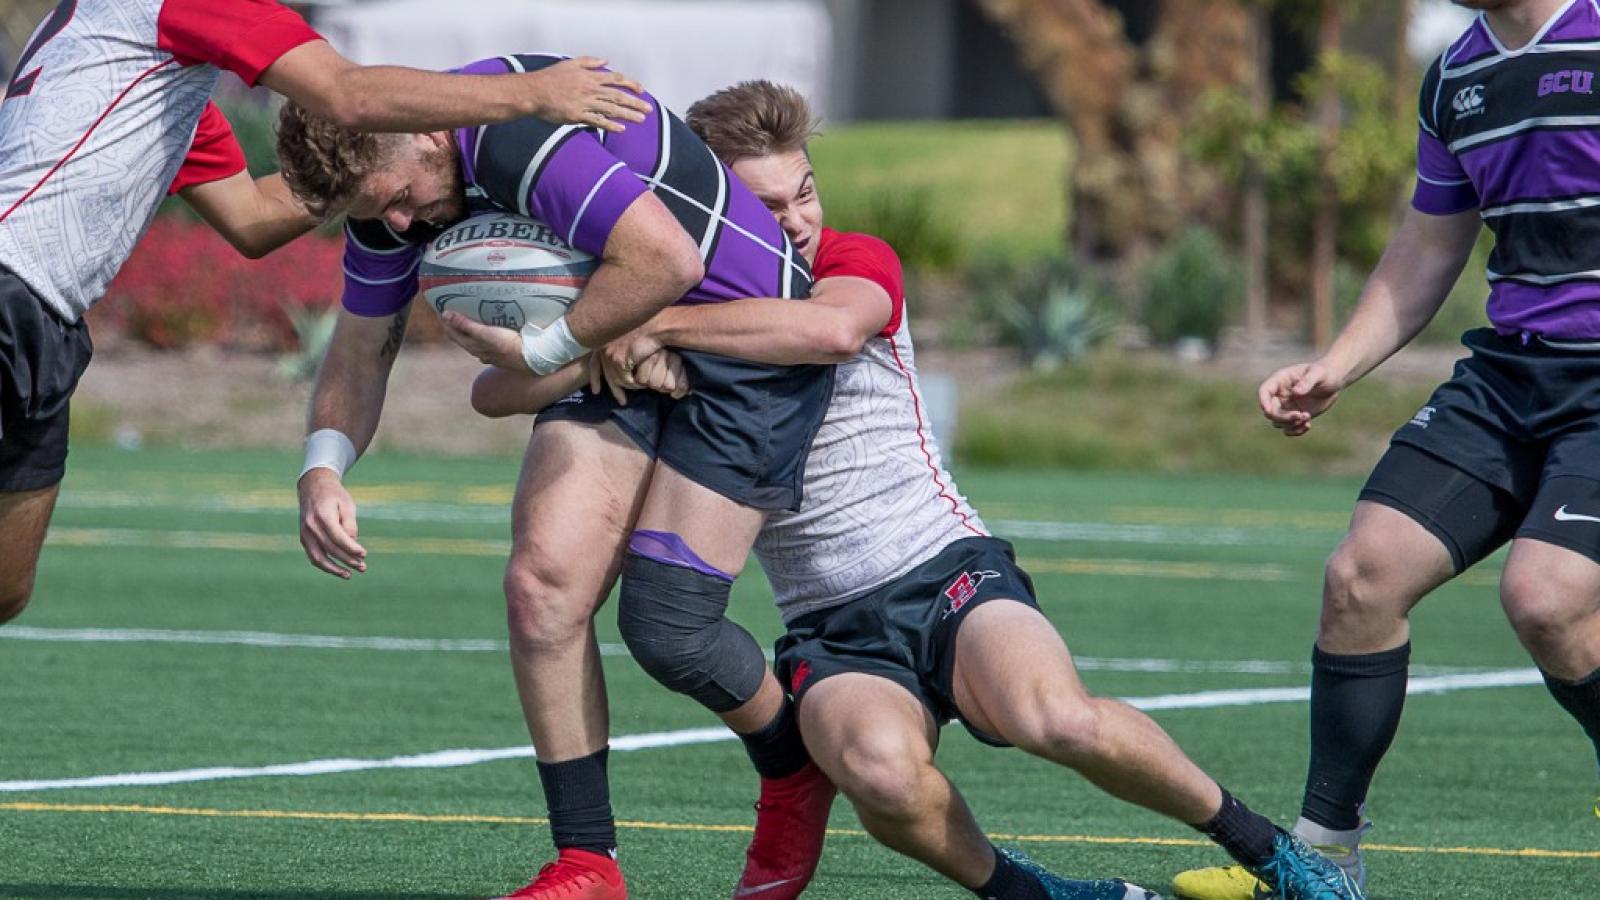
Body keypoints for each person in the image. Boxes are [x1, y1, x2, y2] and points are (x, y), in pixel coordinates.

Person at [473, 79, 1365, 900]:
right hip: (830, 626)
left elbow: (829, 330)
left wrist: (655, 322)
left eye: (805, 192)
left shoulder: (850, 260)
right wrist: (589, 339)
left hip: (942, 570)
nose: (796, 221)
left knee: (1049, 715)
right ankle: (1034, 893)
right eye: (765, 204)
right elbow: (495, 392)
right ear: (708, 206)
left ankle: (1272, 853)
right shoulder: (655, 291)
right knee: (883, 776)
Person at [277, 59, 828, 900]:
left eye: (398, 195)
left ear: (429, 129)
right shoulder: (387, 194)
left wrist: (543, 354)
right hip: (604, 349)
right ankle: (587, 863)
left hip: (744, 349)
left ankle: (793, 765)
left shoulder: (515, 137)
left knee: (669, 629)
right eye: (376, 212)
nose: (398, 220)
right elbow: (360, 345)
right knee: (540, 588)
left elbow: (666, 259)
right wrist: (322, 469)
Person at [0, 0, 650, 627]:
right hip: (11, 288)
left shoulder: (156, 84)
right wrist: (532, 94)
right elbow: (347, 95)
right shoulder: (172, 5)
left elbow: (251, 218)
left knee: (7, 587)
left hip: (46, 322)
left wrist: (391, 173)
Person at [1172, 1, 1600, 898]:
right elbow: (1430, 240)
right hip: (1512, 379)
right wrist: (1337, 364)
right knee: (1363, 576)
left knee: (1547, 600)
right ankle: (1322, 863)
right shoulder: (1457, 77)